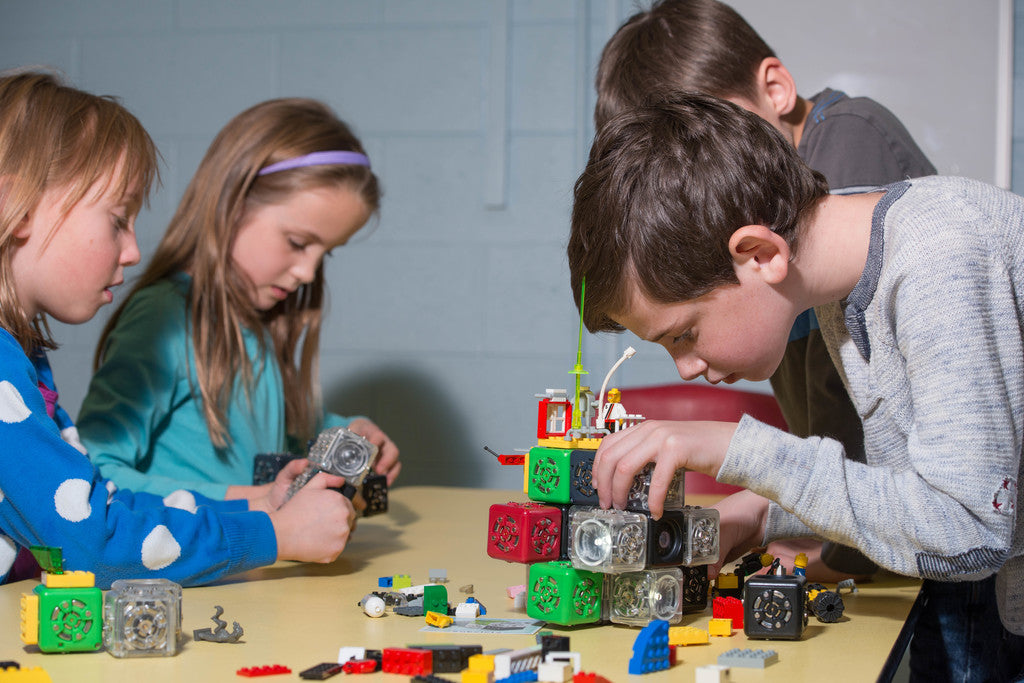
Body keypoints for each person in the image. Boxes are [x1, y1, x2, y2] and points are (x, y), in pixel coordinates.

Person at [568, 93, 1024, 681]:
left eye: (684, 334)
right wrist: (763, 516)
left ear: (759, 254)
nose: (684, 367)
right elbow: (915, 486)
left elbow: (970, 529)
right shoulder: (853, 276)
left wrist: (740, 448)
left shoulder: (940, 259)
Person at [593, 0, 936, 578]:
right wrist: (774, 515)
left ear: (774, 89)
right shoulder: (763, 234)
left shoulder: (843, 152)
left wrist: (835, 552)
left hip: (916, 534)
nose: (697, 182)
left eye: (710, 140)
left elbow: (851, 407)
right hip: (876, 520)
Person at [0, 70, 355, 588]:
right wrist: (271, 536)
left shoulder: (19, 355)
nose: (133, 251)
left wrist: (260, 509)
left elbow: (98, 505)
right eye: (118, 220)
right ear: (18, 207)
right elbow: (90, 544)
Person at [76, 98, 401, 502]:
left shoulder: (257, 322)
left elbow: (272, 428)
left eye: (325, 254)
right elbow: (92, 473)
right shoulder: (163, 320)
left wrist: (347, 429)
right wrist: (251, 500)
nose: (308, 273)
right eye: (297, 242)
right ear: (232, 204)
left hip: (247, 560)